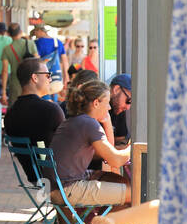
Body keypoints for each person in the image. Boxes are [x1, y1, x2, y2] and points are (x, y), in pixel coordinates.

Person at [48, 78, 131, 208]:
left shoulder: (76, 121)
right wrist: (132, 148)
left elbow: (108, 156)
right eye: (107, 102)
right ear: (96, 103)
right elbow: (115, 160)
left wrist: (107, 122)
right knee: (135, 193)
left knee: (118, 181)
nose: (109, 107)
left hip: (56, 187)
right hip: (68, 190)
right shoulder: (89, 124)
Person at [2, 57, 64, 184]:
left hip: (37, 180)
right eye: (47, 75)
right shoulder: (51, 110)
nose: (50, 79)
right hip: (61, 180)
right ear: (35, 78)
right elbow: (69, 144)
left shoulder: (10, 115)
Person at [0, 23, 39, 107]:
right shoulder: (30, 44)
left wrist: (3, 91)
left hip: (15, 83)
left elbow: (5, 71)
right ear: (21, 32)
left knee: (16, 108)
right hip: (30, 82)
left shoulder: (7, 49)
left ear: (9, 34)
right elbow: (38, 63)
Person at [31, 24, 68, 105]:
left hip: (42, 76)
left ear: (40, 31)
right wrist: (66, 77)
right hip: (56, 76)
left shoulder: (37, 43)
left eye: (35, 33)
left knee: (44, 100)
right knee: (54, 97)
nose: (35, 35)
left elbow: (35, 59)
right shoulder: (57, 42)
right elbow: (65, 61)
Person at [108, 72, 132, 145]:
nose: (128, 107)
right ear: (116, 89)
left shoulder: (118, 108)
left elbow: (121, 138)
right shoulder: (97, 107)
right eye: (128, 101)